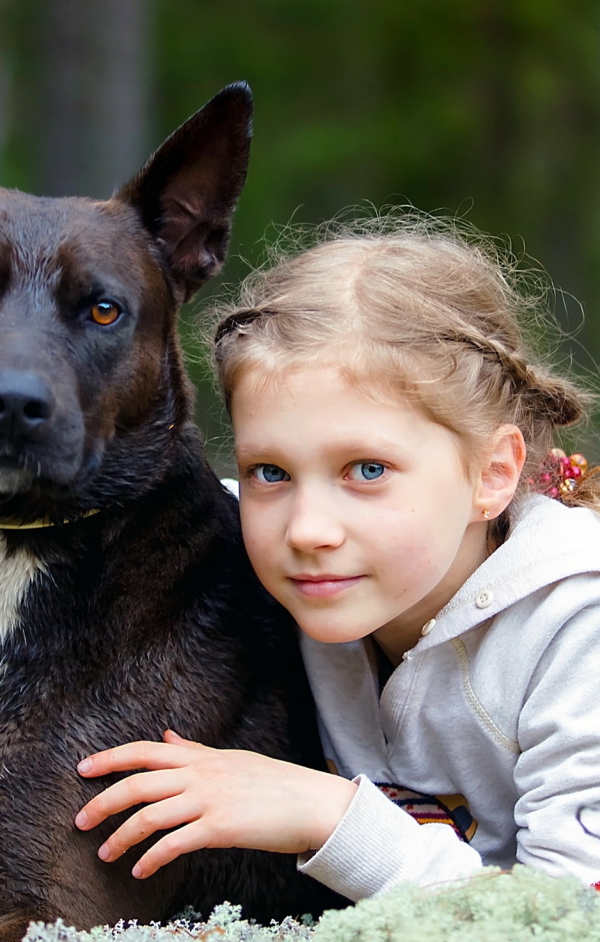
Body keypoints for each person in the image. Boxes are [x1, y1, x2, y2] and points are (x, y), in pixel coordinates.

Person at [75, 213, 600, 900]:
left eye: (368, 470)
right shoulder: (266, 556)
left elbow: (571, 914)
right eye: (271, 472)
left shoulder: (575, 628)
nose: (307, 529)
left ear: (492, 473)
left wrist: (326, 816)